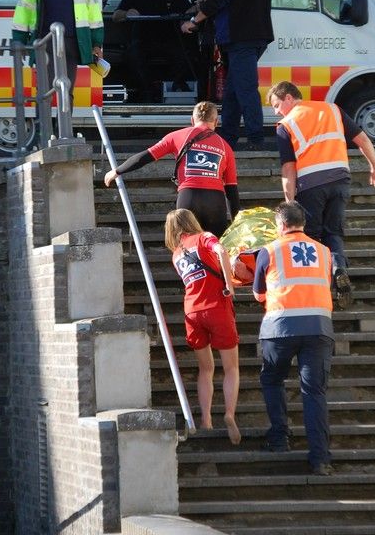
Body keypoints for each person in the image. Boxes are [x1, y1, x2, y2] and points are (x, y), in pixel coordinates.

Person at [268, 81, 375, 308]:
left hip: (310, 184)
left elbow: (288, 167)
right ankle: (338, 268)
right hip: (340, 178)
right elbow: (361, 138)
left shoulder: (286, 124)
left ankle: (318, 285)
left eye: (276, 105)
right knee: (334, 232)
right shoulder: (332, 109)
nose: (276, 111)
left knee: (311, 236)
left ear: (289, 98)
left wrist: (289, 200)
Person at [253, 200, 334, 475]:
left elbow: (259, 294)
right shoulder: (325, 252)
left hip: (280, 327)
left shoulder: (269, 250)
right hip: (319, 328)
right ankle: (320, 459)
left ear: (280, 225)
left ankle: (279, 438)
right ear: (303, 224)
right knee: (314, 392)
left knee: (272, 379)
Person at [182, 0, 274, 151]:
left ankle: (256, 138)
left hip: (239, 38)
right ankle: (228, 137)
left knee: (245, 88)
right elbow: (245, 0)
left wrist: (194, 21)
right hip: (259, 36)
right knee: (233, 88)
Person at [104, 101, 239, 237]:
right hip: (215, 202)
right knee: (216, 251)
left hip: (188, 197)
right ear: (216, 122)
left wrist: (117, 171)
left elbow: (144, 157)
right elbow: (231, 189)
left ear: (192, 120)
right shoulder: (225, 146)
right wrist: (236, 222)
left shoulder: (177, 136)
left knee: (185, 250)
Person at [165, 208, 241, 444]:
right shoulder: (204, 237)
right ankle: (229, 414)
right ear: (192, 222)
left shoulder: (176, 254)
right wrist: (229, 284)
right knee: (231, 368)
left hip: (192, 312)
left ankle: (206, 419)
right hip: (216, 306)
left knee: (205, 369)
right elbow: (221, 250)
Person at [11, 0, 104, 114]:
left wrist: (96, 42)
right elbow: (23, 9)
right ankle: (43, 134)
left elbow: (93, 11)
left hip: (71, 41)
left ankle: (65, 135)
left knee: (66, 90)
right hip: (44, 42)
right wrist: (19, 41)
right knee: (44, 91)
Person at [112, 0, 194, 102]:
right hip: (142, 42)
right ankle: (147, 91)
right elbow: (115, 16)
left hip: (169, 41)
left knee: (186, 55)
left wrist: (195, 11)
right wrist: (127, 13)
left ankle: (169, 89)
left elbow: (189, 10)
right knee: (132, 56)